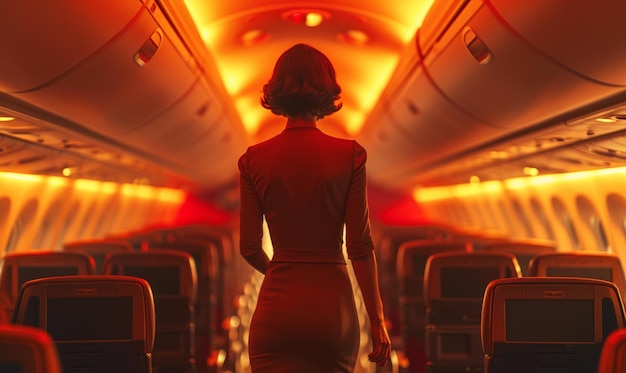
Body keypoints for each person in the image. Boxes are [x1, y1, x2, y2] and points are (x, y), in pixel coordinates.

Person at [238, 43, 391, 372]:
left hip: (275, 311)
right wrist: (377, 321)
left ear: (277, 90)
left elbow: (249, 247)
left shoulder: (252, 159)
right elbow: (360, 248)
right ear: (326, 89)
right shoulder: (351, 156)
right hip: (331, 306)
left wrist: (281, 270)